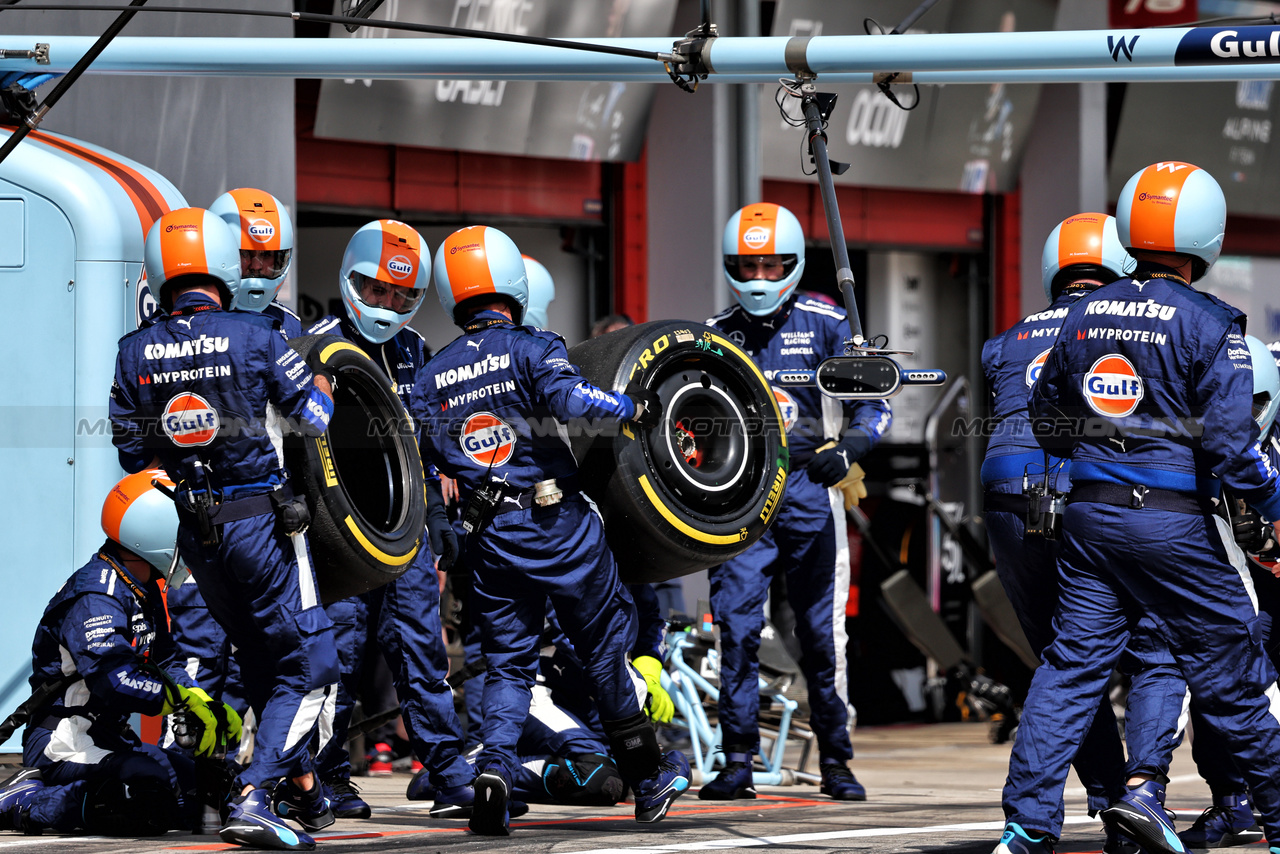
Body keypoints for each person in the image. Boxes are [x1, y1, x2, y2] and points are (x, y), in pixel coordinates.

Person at [995, 161, 1280, 854]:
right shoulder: (1213, 325)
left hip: (1088, 519)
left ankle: (1027, 827)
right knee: (1230, 669)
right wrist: (1264, 505)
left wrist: (1101, 449)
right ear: (1206, 234)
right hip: (1173, 523)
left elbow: (1047, 415)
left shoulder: (1083, 311)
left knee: (1069, 669)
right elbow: (1234, 448)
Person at [410, 224, 690, 836]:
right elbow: (573, 402)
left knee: (509, 666)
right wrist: (633, 406)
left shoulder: (431, 376)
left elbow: (423, 465)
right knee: (602, 646)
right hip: (557, 526)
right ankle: (647, 778)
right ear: (512, 282)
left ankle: (497, 770)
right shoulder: (535, 347)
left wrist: (439, 521)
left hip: (490, 538)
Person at [110, 206, 339, 851]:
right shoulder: (257, 335)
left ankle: (301, 787)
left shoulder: (134, 351)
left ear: (161, 272)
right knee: (314, 662)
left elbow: (132, 453)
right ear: (225, 265)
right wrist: (322, 379)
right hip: (263, 527)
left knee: (265, 661)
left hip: (193, 536)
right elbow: (313, 419)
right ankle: (254, 793)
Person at [702, 202, 890, 802]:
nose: (758, 278)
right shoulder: (714, 331)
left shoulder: (830, 321)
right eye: (746, 266)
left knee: (820, 636)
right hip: (740, 496)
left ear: (795, 263)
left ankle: (836, 759)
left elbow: (877, 402)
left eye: (771, 264)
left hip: (811, 492)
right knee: (735, 630)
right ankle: (736, 759)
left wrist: (851, 446)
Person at [981, 214, 1147, 852]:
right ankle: (1128, 801)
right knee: (1122, 654)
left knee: (1062, 662)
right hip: (1082, 492)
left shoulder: (1010, 337)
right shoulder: (1125, 322)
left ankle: (1086, 808)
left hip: (1005, 497)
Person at [304, 218, 475, 820]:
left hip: (404, 529)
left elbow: (428, 441)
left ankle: (445, 772)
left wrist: (438, 518)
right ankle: (329, 776)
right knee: (340, 657)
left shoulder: (415, 350)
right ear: (350, 279)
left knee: (422, 650)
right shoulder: (313, 344)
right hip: (341, 534)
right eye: (376, 290)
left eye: (403, 296)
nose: (387, 305)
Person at [0, 470, 240, 837]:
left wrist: (202, 699)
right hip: (65, 739)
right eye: (184, 530)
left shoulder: (139, 585)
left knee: (211, 792)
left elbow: (166, 661)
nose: (191, 540)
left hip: (110, 736)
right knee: (145, 798)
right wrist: (178, 700)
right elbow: (112, 679)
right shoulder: (97, 595)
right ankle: (21, 800)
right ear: (153, 531)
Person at [209, 187, 303, 337]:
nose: (256, 266)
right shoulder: (195, 321)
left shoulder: (288, 323)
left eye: (267, 255)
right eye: (245, 254)